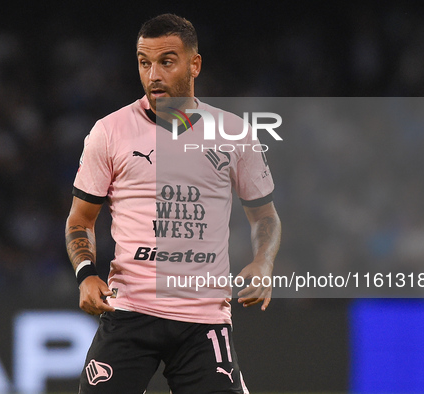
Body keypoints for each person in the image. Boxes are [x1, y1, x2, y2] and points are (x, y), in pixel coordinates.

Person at [66, 13, 281, 394]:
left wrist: (263, 262)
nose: (153, 75)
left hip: (203, 318)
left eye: (166, 61)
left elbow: (265, 217)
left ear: (194, 64)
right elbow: (80, 220)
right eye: (144, 63)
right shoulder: (109, 132)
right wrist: (86, 273)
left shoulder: (234, 134)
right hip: (130, 310)